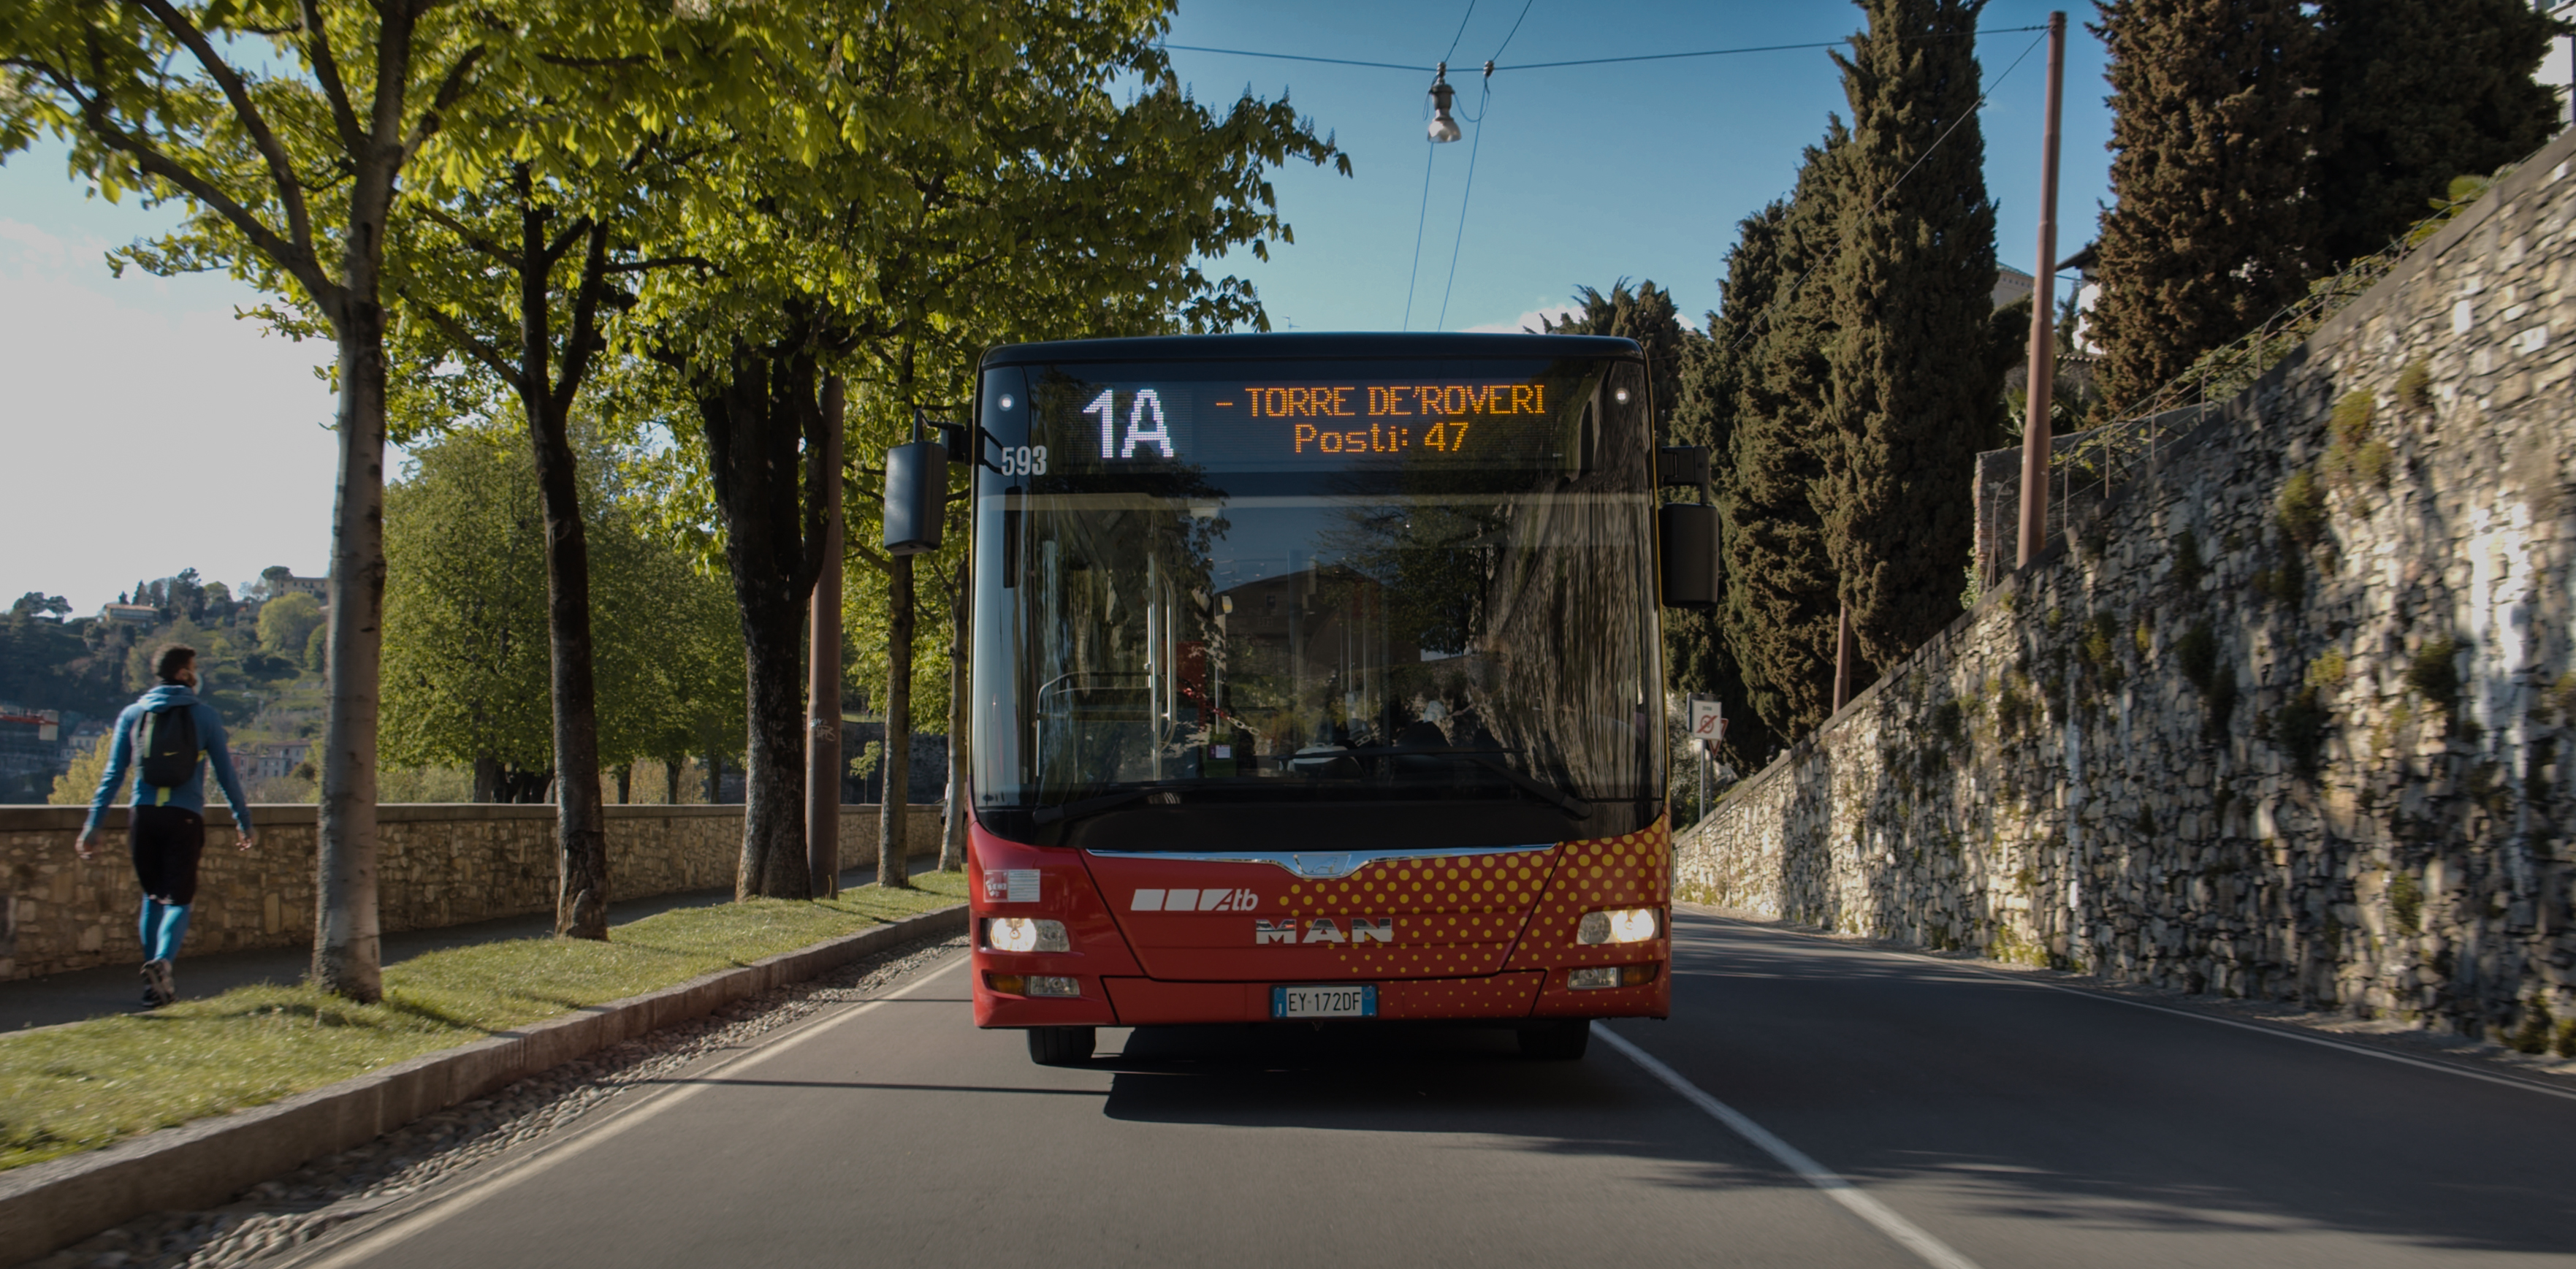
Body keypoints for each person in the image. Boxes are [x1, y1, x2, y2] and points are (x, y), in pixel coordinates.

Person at [75, 644, 257, 1007]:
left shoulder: (132, 714)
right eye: (193, 667)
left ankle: (151, 984)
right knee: (180, 900)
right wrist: (243, 822)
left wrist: (93, 826)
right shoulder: (205, 717)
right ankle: (163, 964)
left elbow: (112, 775)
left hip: (143, 814)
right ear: (183, 674)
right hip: (184, 815)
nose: (196, 673)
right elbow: (226, 776)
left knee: (152, 898)